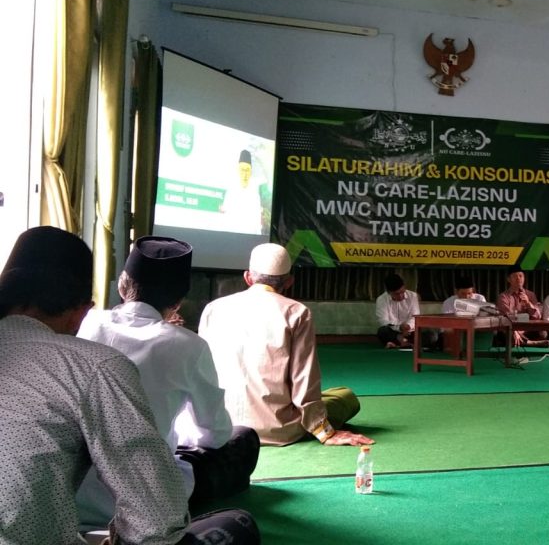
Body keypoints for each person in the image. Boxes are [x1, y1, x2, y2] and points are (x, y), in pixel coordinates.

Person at [0, 226, 259, 544]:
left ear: (123, 285)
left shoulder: (89, 329)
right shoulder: (100, 364)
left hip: (69, 505)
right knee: (238, 510)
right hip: (101, 514)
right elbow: (157, 518)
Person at [75, 236, 259, 529]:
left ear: (122, 285)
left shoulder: (85, 322)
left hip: (74, 495)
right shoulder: (188, 346)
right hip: (145, 504)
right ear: (177, 301)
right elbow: (214, 435)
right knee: (243, 439)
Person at [198, 243, 372, 446]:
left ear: (248, 277)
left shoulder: (213, 309)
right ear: (289, 282)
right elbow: (304, 378)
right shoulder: (296, 312)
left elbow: (201, 369)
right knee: (344, 395)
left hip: (219, 425)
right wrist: (325, 432)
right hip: (277, 429)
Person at [375, 272, 436, 348]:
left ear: (404, 287)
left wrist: (407, 326)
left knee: (431, 334)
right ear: (389, 292)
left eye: (402, 292)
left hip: (410, 331)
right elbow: (383, 321)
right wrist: (400, 328)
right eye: (397, 294)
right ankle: (408, 343)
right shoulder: (381, 299)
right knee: (382, 331)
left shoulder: (413, 296)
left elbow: (415, 317)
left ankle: (400, 343)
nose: (401, 296)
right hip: (394, 333)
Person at [496, 265, 548, 347]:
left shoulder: (530, 294)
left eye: (521, 276)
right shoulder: (503, 297)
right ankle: (531, 343)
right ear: (508, 279)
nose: (518, 279)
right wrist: (515, 331)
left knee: (543, 333)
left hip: (527, 328)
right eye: (515, 276)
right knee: (510, 334)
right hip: (511, 328)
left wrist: (528, 303)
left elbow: (537, 316)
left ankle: (523, 342)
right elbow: (507, 317)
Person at [220, 149, 268, 235]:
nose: (245, 174)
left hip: (251, 234)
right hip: (232, 233)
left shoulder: (255, 187)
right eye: (242, 170)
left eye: (247, 170)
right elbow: (225, 212)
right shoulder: (231, 187)